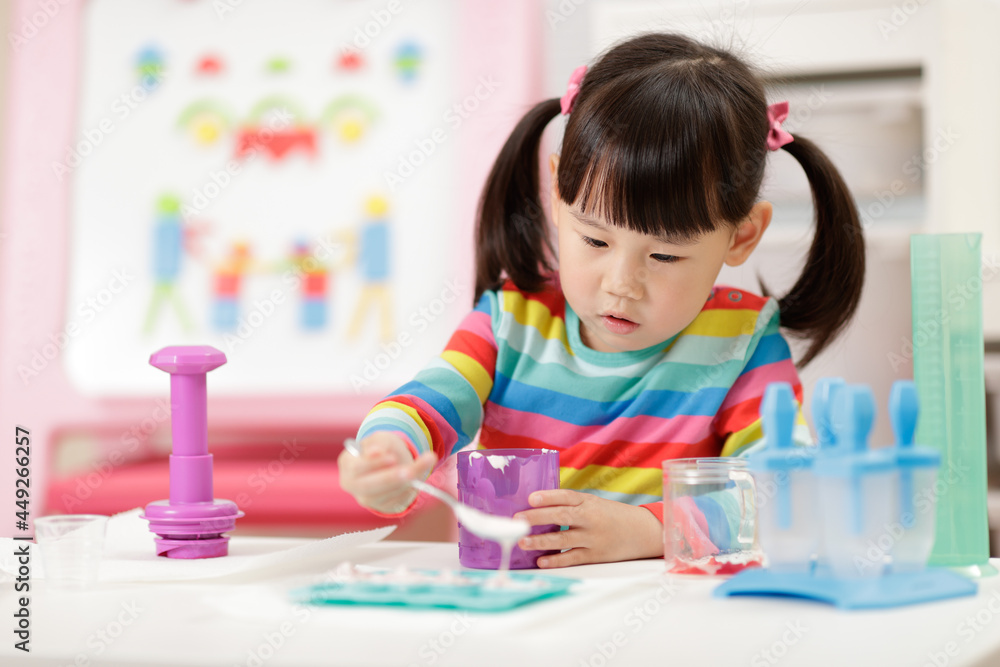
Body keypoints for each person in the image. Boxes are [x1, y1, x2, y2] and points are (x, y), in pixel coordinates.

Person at [338, 32, 865, 567]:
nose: (622, 283)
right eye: (595, 241)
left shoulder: (742, 343)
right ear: (559, 198)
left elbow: (785, 491)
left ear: (741, 236)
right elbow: (426, 406)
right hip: (525, 620)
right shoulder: (510, 322)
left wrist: (649, 530)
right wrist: (388, 453)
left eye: (664, 257)